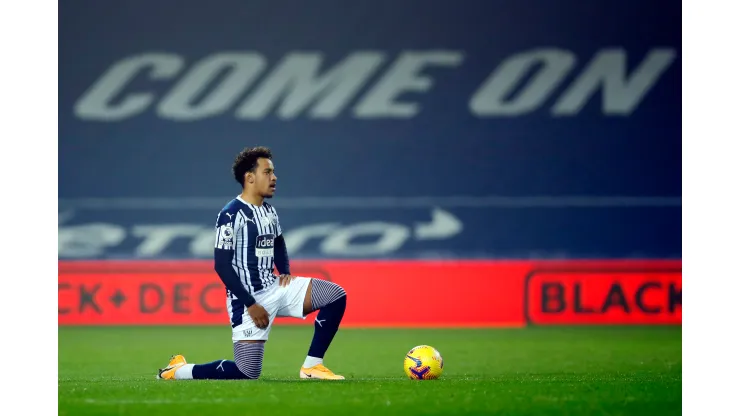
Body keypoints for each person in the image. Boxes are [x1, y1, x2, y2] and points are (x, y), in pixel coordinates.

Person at [157, 146, 347, 380]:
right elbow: (222, 265)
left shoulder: (268, 211)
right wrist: (250, 304)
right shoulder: (230, 215)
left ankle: (312, 366)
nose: (274, 177)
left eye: (273, 172)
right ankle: (179, 371)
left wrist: (285, 271)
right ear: (249, 178)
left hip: (276, 286)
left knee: (335, 295)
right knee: (247, 372)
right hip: (248, 300)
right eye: (267, 172)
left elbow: (278, 242)